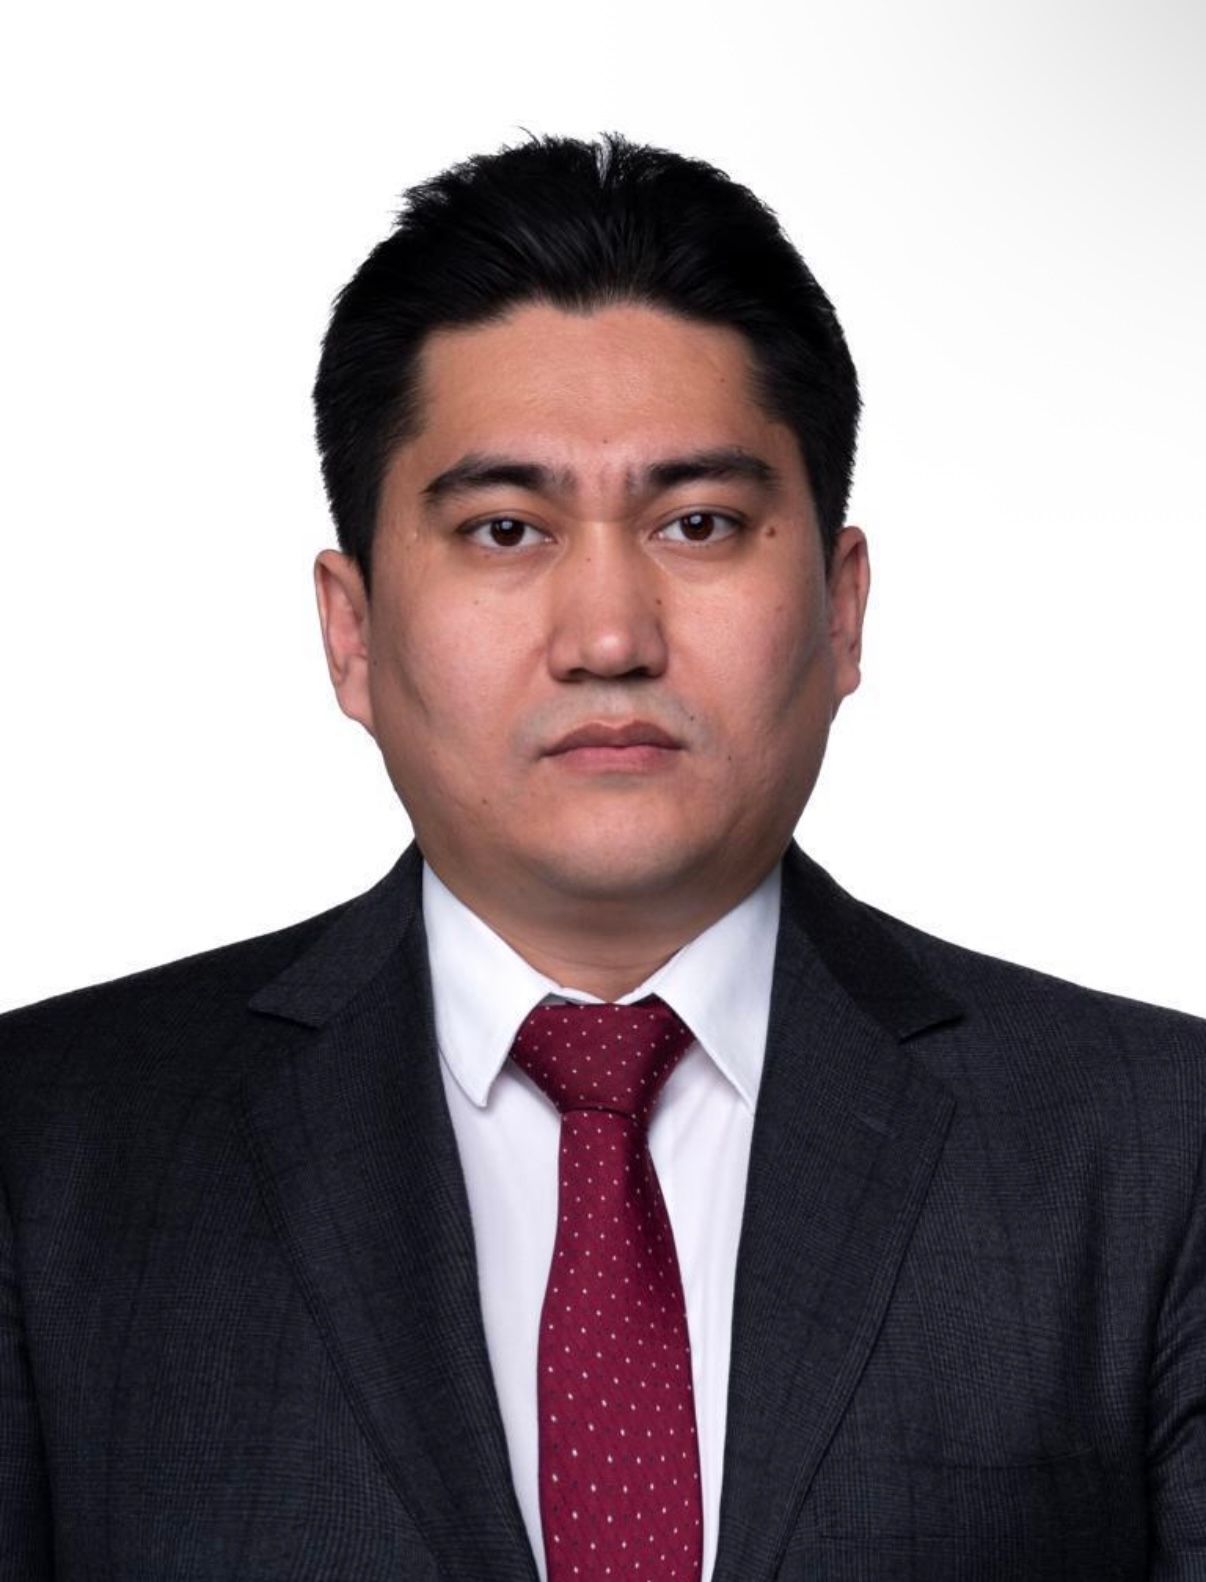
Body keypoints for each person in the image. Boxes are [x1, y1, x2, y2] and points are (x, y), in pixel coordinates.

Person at [0, 132, 1203, 1582]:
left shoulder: (1154, 1148)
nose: (610, 636)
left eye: (699, 523)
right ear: (352, 631)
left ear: (839, 610)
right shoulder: (48, 1152)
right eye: (505, 529)